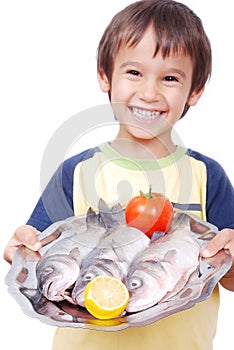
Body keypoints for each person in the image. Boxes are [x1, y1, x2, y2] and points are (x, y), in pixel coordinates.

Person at [4, 0, 234, 349]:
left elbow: (229, 276)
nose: (149, 93)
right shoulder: (75, 173)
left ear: (196, 90)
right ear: (104, 75)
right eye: (134, 73)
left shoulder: (207, 176)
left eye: (170, 78)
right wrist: (21, 249)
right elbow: (38, 252)